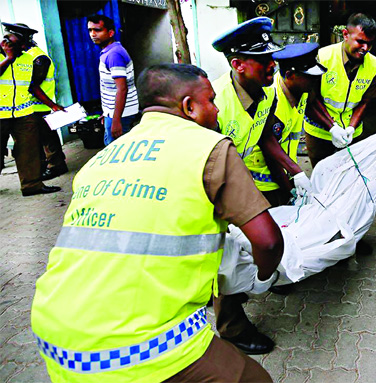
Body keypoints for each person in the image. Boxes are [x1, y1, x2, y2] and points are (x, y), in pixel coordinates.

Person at [31, 63, 282, 383]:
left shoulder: (101, 159)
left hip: (54, 333)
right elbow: (268, 240)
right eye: (211, 101)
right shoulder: (208, 147)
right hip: (133, 344)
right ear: (189, 107)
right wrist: (261, 279)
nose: (218, 110)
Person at [210, 17, 313, 355]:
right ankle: (232, 326)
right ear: (238, 64)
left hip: (240, 180)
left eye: (272, 56)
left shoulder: (265, 91)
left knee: (258, 242)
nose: (273, 65)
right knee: (222, 259)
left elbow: (266, 135)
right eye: (263, 59)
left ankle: (261, 280)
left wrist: (295, 170)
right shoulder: (215, 105)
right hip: (211, 188)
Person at [302, 12, 376, 168]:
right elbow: (311, 101)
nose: (365, 48)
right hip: (319, 131)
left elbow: (365, 102)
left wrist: (352, 127)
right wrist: (332, 128)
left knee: (348, 179)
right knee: (322, 177)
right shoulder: (321, 58)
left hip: (351, 134)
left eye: (370, 43)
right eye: (360, 41)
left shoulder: (375, 66)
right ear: (345, 34)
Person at [254, 42, 327, 206]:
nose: (315, 81)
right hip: (265, 183)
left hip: (285, 174)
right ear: (289, 75)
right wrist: (290, 191)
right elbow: (270, 153)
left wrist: (333, 127)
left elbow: (310, 105)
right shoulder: (272, 100)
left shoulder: (300, 90)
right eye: (310, 77)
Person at [0, 22, 60, 196]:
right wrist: (8, 59)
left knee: (29, 151)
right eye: (21, 39)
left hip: (24, 113)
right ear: (7, 38)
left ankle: (32, 185)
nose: (26, 44)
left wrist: (53, 105)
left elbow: (32, 86)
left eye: (26, 40)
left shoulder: (27, 59)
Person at [15, 23, 69, 180]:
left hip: (38, 106)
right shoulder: (23, 56)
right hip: (27, 106)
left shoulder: (38, 58)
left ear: (22, 39)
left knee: (47, 137)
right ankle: (48, 164)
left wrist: (52, 105)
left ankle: (56, 165)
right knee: (40, 138)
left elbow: (33, 86)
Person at [86, 14, 139, 145]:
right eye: (90, 30)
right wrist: (107, 112)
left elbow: (122, 88)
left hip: (121, 114)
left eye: (97, 30)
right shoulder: (110, 51)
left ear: (110, 33)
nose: (93, 34)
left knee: (116, 153)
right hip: (115, 112)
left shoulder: (113, 54)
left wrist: (116, 120)